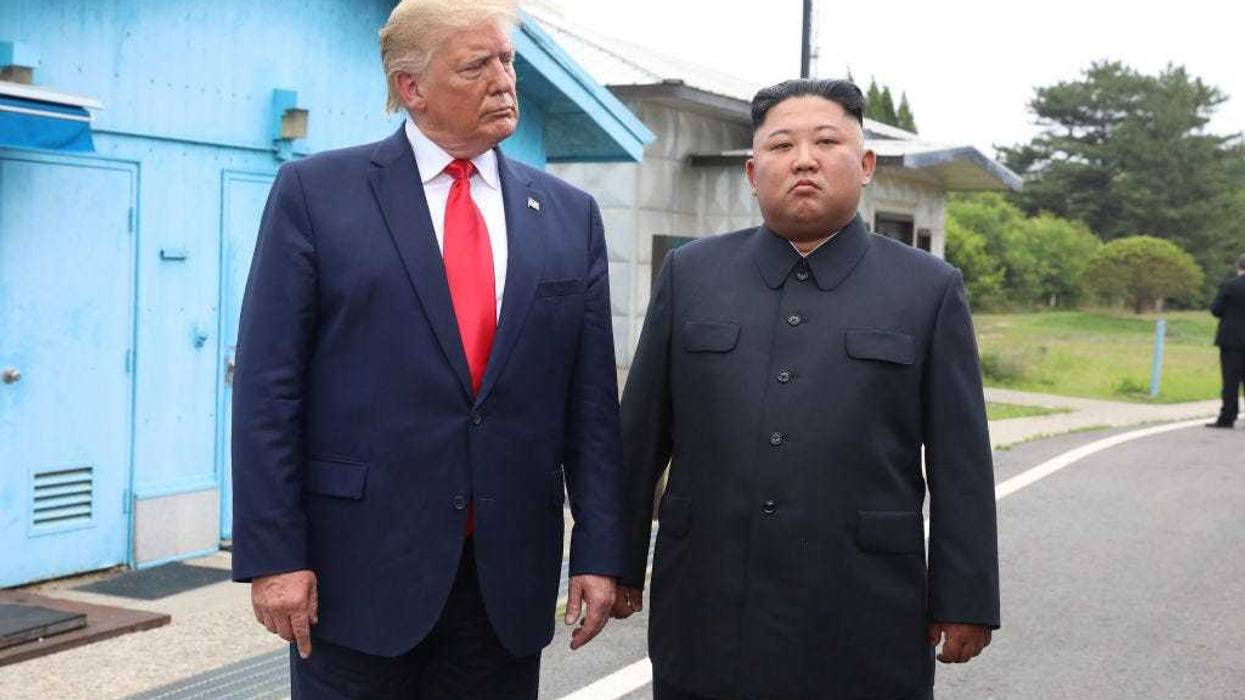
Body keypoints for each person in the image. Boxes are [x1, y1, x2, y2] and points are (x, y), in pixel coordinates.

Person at [230, 1, 625, 697]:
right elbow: (269, 388)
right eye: (476, 65)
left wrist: (600, 550)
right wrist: (274, 557)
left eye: (506, 60)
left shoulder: (568, 215)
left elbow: (589, 405)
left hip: (506, 583)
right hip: (355, 577)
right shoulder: (318, 194)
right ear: (411, 87)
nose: (504, 81)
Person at [612, 79, 1000, 700]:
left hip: (863, 605)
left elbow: (962, 464)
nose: (804, 160)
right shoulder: (693, 275)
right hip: (708, 599)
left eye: (827, 141)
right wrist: (615, 559)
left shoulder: (927, 289)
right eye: (781, 145)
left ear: (866, 164)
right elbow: (640, 437)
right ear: (751, 169)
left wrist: (967, 596)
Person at [1207, 254, 1245, 428]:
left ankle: (1228, 416)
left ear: (1239, 267)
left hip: (1231, 339)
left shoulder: (1229, 286)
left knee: (1230, 380)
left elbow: (1216, 309)